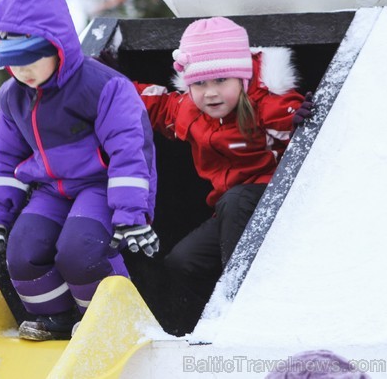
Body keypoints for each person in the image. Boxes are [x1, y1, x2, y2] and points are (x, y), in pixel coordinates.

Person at [0, 0, 159, 341]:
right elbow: (4, 160)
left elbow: (130, 150)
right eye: (12, 61)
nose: (22, 70)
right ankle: (55, 318)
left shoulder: (102, 87)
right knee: (22, 253)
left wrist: (132, 215)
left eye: (29, 59)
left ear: (56, 44)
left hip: (99, 186)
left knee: (80, 251)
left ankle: (108, 320)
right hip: (51, 189)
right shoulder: (13, 97)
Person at [134, 16, 313, 313]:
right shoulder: (189, 110)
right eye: (200, 83)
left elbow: (296, 123)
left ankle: (241, 304)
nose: (211, 92)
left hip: (276, 202)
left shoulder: (267, 105)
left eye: (221, 80)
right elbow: (151, 102)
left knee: (236, 198)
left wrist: (299, 119)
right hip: (230, 212)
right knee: (183, 261)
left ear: (242, 79)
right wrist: (103, 88)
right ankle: (208, 316)